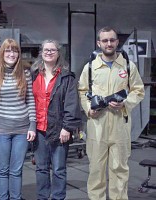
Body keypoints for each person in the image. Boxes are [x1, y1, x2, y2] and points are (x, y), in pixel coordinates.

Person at [78, 26, 145, 200]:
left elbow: (138, 90)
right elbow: (82, 90)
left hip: (120, 127)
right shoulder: (90, 67)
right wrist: (89, 109)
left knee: (120, 172)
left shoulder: (128, 66)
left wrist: (125, 103)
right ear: (98, 43)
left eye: (112, 40)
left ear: (117, 42)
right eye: (105, 40)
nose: (109, 43)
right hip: (97, 126)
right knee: (96, 172)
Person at [31, 39, 81, 200]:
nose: (49, 52)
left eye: (53, 50)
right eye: (46, 49)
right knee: (41, 168)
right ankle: (42, 197)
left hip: (60, 129)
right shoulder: (34, 75)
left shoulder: (67, 77)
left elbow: (72, 103)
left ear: (58, 53)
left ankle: (58, 197)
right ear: (41, 52)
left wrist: (67, 127)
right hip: (39, 129)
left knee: (59, 168)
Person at [0, 38, 36, 200]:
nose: (11, 54)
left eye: (14, 51)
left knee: (16, 169)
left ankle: (15, 197)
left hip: (22, 129)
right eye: (8, 51)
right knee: (2, 169)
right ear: (2, 54)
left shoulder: (25, 74)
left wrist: (33, 126)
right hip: (1, 130)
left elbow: (30, 101)